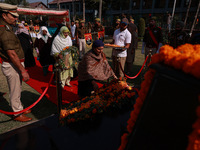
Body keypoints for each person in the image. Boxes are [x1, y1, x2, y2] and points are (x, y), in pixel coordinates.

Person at [0, 3, 32, 122]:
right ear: (4, 15)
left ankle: (19, 109)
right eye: (13, 16)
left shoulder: (7, 27)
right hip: (12, 64)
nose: (16, 18)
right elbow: (11, 53)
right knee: (14, 89)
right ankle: (17, 113)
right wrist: (23, 71)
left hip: (14, 64)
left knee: (17, 88)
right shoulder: (4, 30)